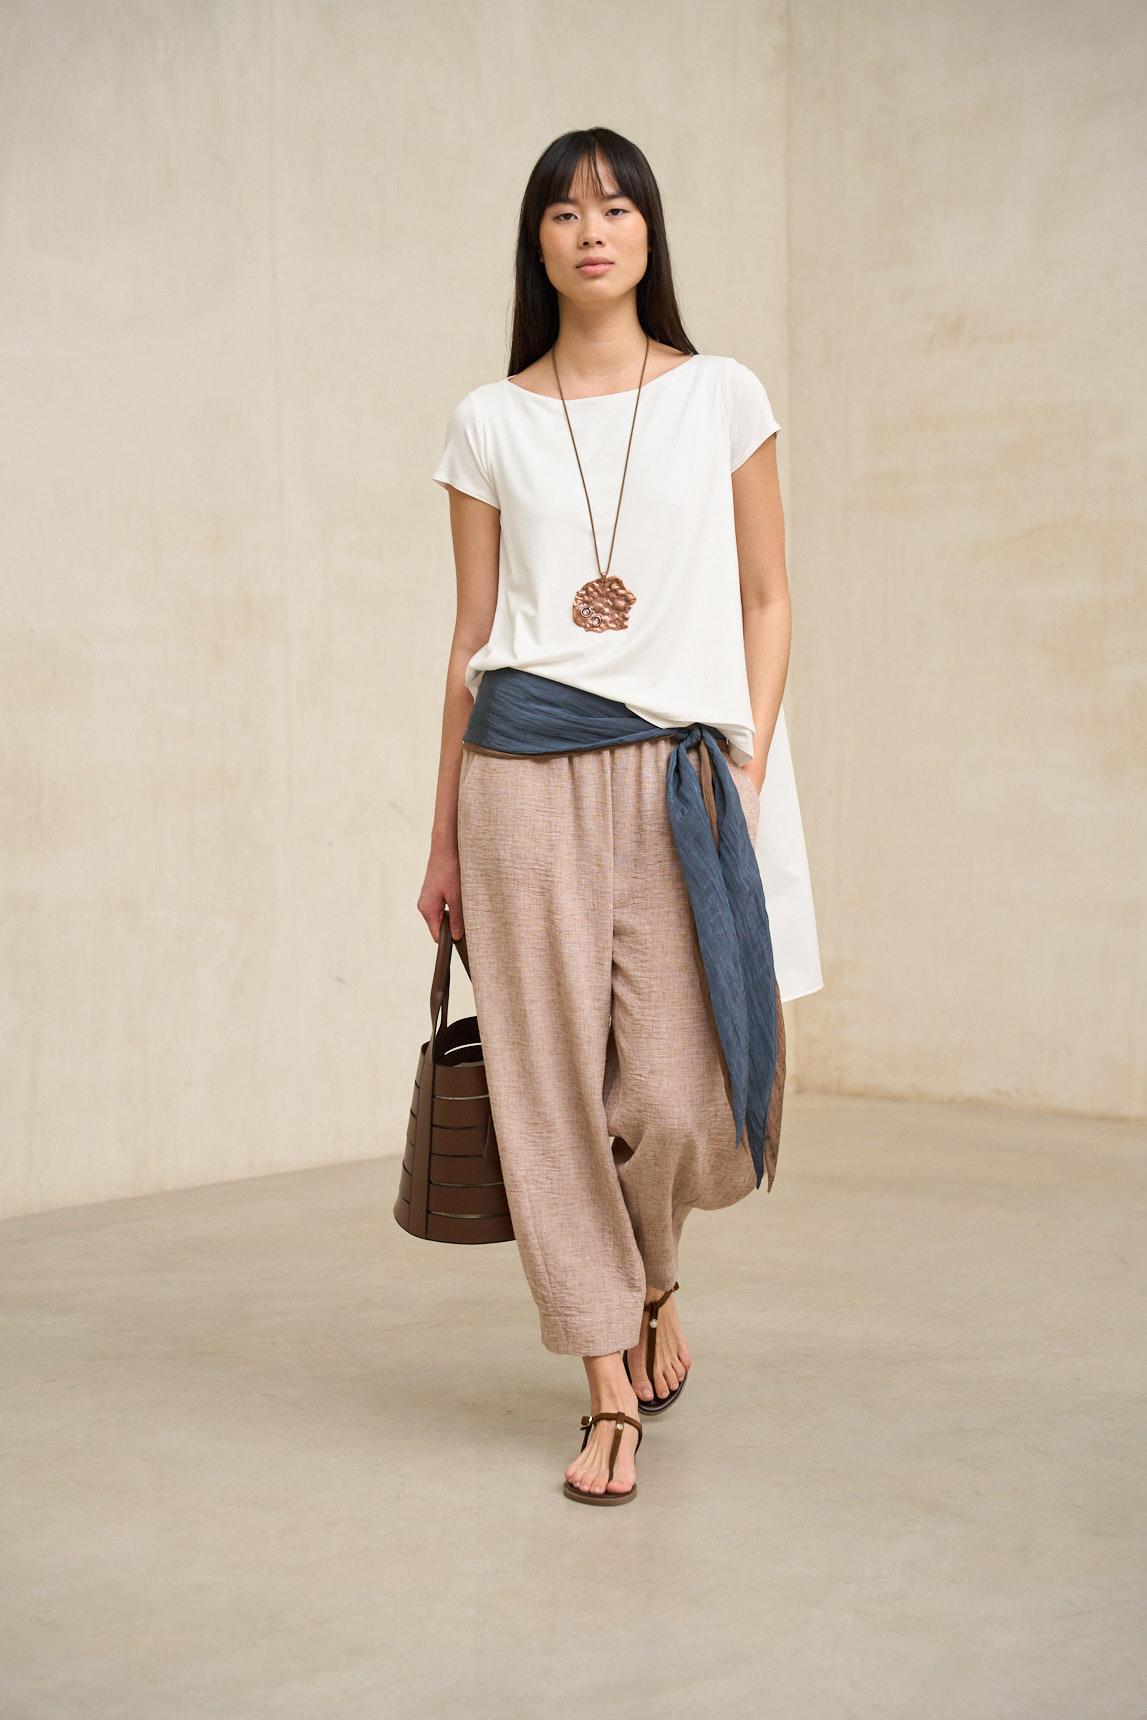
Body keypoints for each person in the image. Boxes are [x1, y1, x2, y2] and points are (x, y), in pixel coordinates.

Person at [418, 127, 822, 1505]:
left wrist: (745, 772)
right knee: (543, 1090)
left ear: (650, 232)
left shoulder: (721, 394)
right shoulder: (489, 420)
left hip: (675, 778)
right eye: (564, 212)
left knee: (674, 1094)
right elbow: (470, 635)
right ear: (535, 243)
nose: (592, 232)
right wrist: (440, 837)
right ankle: (604, 1388)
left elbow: (769, 598)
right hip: (520, 773)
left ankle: (654, 1276)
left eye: (616, 207)